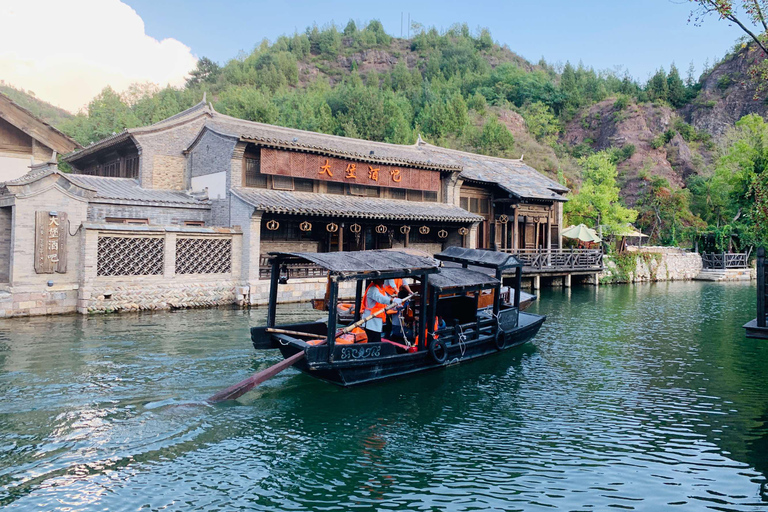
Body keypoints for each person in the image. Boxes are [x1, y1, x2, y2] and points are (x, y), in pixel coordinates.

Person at [362, 279, 403, 344]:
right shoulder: (373, 289)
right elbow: (381, 299)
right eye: (381, 280)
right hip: (370, 321)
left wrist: (395, 307)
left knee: (376, 339)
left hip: (377, 322)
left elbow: (386, 303)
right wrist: (393, 300)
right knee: (373, 341)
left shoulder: (381, 290)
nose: (383, 281)